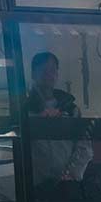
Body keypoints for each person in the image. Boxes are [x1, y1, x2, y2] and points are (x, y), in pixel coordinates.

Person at [26, 50, 89, 193]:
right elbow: (17, 144)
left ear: (57, 74)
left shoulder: (71, 109)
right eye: (43, 69)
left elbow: (84, 144)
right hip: (35, 188)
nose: (49, 74)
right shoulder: (24, 110)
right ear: (33, 74)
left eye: (53, 70)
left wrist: (71, 173)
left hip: (69, 186)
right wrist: (37, 124)